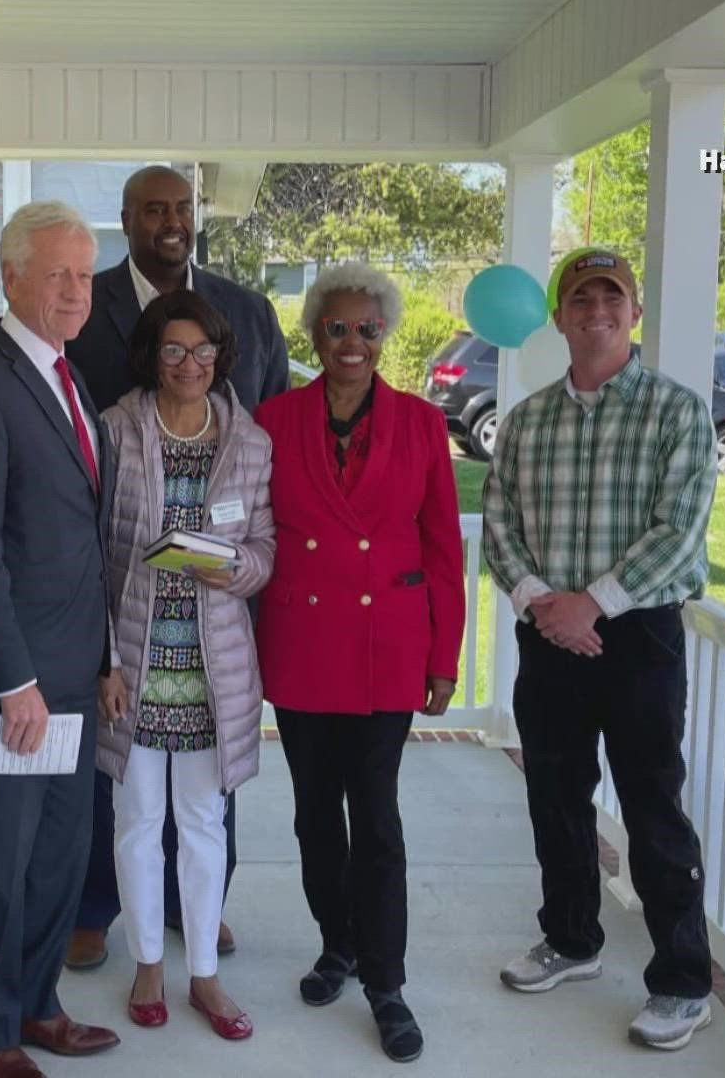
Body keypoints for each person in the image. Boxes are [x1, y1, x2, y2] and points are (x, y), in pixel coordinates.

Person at [482, 248, 719, 1051]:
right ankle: (573, 940)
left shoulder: (677, 412)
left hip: (640, 635)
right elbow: (501, 525)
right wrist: (542, 604)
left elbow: (679, 530)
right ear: (559, 317)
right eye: (581, 299)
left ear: (635, 312)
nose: (596, 311)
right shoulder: (527, 420)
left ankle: (683, 982)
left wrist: (595, 602)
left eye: (611, 297)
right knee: (555, 794)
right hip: (549, 632)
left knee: (652, 807)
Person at [63, 164, 291, 969]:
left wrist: (241, 564)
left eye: (182, 207)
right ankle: (99, 905)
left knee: (205, 784)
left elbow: (272, 436)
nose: (171, 221)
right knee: (120, 780)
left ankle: (202, 906)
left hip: (216, 604)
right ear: (125, 218)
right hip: (125, 597)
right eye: (153, 208)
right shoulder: (86, 311)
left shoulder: (250, 309)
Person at [251, 262, 466, 1064]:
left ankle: (386, 982)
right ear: (314, 334)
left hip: (387, 650)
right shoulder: (272, 419)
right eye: (336, 328)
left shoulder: (419, 424)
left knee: (374, 815)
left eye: (366, 329)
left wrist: (443, 656)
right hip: (304, 646)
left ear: (385, 336)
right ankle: (336, 943)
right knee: (314, 813)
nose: (351, 343)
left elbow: (444, 547)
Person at [0, 200, 122, 1078]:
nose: (76, 291)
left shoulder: (66, 376)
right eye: (57, 275)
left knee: (58, 858)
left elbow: (83, 532)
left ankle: (39, 1003)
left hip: (78, 671)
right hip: (23, 685)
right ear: (10, 277)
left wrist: (108, 658)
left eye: (84, 275)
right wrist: (12, 682)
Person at [93, 290, 275, 1041]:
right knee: (137, 821)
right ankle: (144, 962)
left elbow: (265, 554)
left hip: (212, 665)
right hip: (134, 657)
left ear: (221, 356)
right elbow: (89, 556)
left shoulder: (250, 440)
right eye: (174, 350)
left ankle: (203, 971)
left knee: (203, 821)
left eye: (203, 351)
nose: (190, 365)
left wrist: (227, 567)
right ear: (151, 356)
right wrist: (103, 661)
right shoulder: (113, 431)